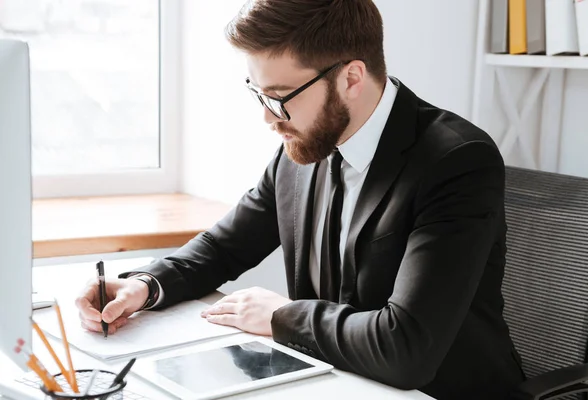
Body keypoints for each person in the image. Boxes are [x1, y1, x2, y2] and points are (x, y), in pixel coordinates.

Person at [75, 1, 525, 399]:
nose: (268, 118)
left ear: (351, 77)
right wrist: (144, 286)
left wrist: (283, 316)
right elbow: (224, 247)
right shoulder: (304, 143)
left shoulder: (456, 161)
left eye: (279, 98)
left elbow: (405, 347)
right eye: (259, 93)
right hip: (333, 381)